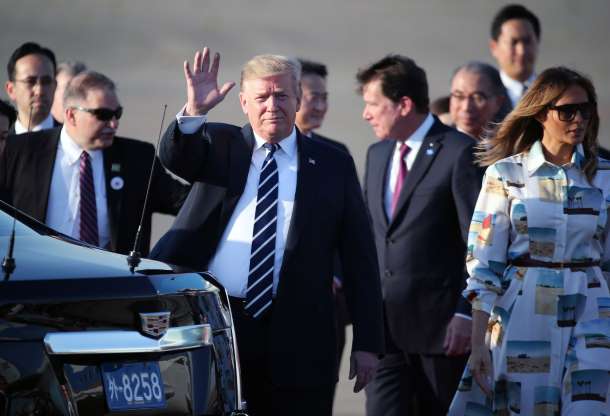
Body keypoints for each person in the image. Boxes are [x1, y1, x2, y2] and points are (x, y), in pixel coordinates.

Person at [150, 48, 384, 416]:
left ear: (298, 99)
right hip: (222, 323)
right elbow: (176, 157)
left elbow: (360, 257)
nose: (272, 105)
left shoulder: (332, 163)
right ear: (244, 102)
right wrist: (195, 110)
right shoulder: (219, 144)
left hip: (301, 333)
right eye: (262, 97)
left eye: (282, 95)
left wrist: (367, 342)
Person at [449, 67, 610, 415]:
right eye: (567, 111)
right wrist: (478, 344)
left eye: (585, 110)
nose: (578, 119)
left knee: (590, 409)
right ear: (540, 113)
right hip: (524, 311)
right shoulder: (505, 174)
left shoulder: (605, 176)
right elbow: (483, 264)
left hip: (593, 311)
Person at [358, 55, 483, 415]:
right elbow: (373, 237)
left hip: (441, 334)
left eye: (373, 104)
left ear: (404, 105)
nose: (366, 114)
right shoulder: (377, 154)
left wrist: (465, 312)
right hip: (384, 334)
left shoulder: (458, 152)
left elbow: (478, 244)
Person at [0, 70, 189, 255]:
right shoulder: (21, 151)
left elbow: (186, 202)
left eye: (117, 113)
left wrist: (194, 115)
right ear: (71, 115)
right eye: (103, 115)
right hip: (35, 269)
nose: (114, 124)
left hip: (109, 273)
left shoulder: (137, 158)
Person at [489, 4, 540, 109]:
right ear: (494, 47)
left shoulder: (554, 94)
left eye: (527, 41)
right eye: (513, 42)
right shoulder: (485, 99)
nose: (522, 51)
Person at [4, 42, 60, 134]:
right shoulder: (4, 141)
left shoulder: (70, 140)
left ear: (55, 86)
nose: (39, 91)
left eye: (46, 82)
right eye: (30, 82)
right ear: (11, 90)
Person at [295, 58, 348, 153]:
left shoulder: (337, 152)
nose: (320, 107)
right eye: (313, 98)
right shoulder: (269, 150)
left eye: (324, 98)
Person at [449, 61, 507, 140]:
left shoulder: (510, 144)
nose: (466, 107)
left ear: (498, 102)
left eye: (477, 98)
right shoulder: (437, 144)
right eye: (459, 96)